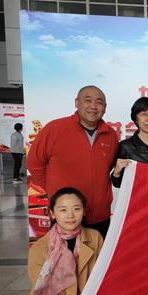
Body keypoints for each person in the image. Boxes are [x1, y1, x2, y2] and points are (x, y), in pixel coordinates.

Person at [27, 85, 119, 237]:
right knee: (65, 252)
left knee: (99, 251)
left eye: (99, 102)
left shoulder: (110, 134)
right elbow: (34, 163)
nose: (93, 106)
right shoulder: (54, 129)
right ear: (77, 103)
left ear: (105, 107)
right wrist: (54, 192)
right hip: (67, 216)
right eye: (87, 100)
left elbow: (107, 167)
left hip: (100, 215)